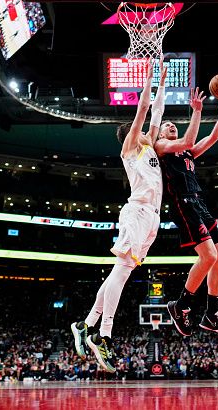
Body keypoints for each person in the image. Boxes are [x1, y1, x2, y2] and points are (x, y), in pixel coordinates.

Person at [71, 58, 167, 373]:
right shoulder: (131, 147)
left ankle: (86, 325)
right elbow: (143, 112)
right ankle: (105, 335)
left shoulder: (150, 147)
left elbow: (157, 113)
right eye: (141, 130)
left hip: (152, 217)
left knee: (121, 272)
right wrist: (149, 81)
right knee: (123, 271)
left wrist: (163, 84)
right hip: (137, 212)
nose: (148, 131)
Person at [157, 82, 218, 337]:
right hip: (183, 203)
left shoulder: (187, 152)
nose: (171, 125)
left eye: (172, 124)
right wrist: (197, 111)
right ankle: (180, 306)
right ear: (158, 134)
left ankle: (212, 315)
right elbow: (189, 138)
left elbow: (213, 137)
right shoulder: (162, 148)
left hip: (199, 202)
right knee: (209, 257)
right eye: (166, 125)